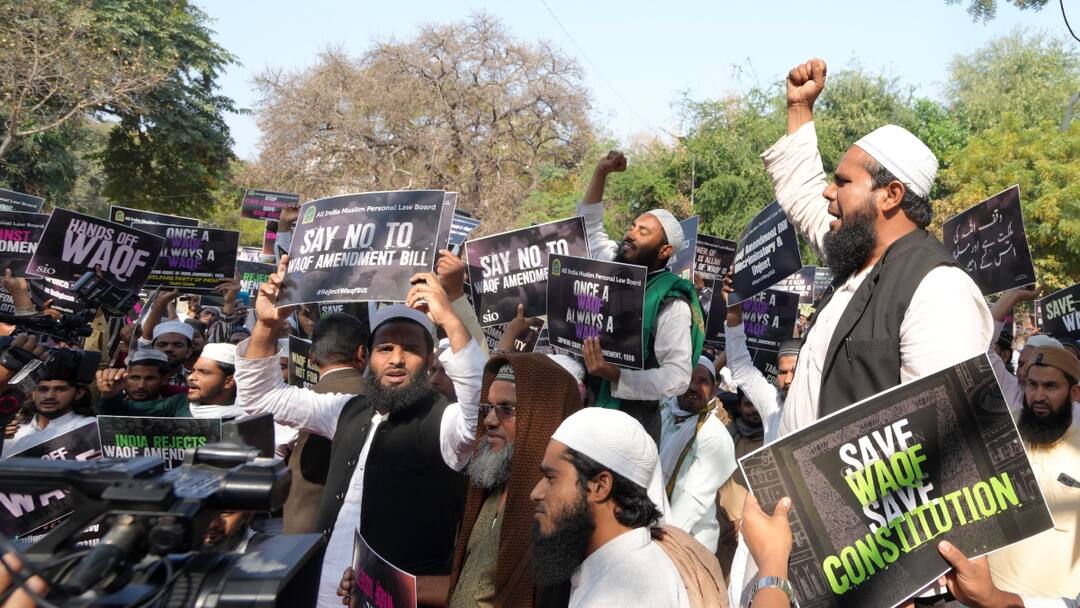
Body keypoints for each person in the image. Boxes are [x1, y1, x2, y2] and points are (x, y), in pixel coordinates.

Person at [236, 258, 484, 607]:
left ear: (431, 361)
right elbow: (261, 397)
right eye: (386, 348)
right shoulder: (346, 409)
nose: (397, 359)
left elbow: (479, 409)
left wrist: (449, 319)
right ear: (367, 357)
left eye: (412, 349)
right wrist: (266, 325)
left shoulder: (445, 422)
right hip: (324, 589)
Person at [765, 58, 993, 436]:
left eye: (842, 182)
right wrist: (799, 108)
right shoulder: (857, 258)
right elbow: (802, 195)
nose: (828, 192)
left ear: (890, 195)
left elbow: (939, 432)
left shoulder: (938, 288)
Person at [531, 408, 726, 608]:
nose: (535, 493)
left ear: (599, 486)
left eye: (551, 478)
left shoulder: (617, 597)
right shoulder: (622, 565)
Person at [576, 151, 706, 441]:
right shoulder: (612, 267)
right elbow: (588, 229)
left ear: (664, 251)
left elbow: (677, 376)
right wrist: (601, 172)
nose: (631, 234)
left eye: (643, 232)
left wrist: (616, 374)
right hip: (589, 410)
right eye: (632, 227)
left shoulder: (671, 301)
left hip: (633, 425)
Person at [987, 346, 1080, 599]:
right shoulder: (1001, 429)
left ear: (1074, 393)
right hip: (984, 594)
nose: (1038, 396)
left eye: (1050, 386)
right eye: (1032, 385)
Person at [283, 313, 368, 536]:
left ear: (311, 357)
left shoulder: (294, 404)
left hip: (305, 539)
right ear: (362, 353)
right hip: (363, 536)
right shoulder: (385, 398)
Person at [659, 356, 736, 553]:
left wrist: (663, 544)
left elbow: (693, 501)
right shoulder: (664, 412)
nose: (693, 387)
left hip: (686, 542)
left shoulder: (714, 434)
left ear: (714, 389)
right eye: (688, 378)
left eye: (702, 381)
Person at [96, 343, 242, 419]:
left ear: (228, 381)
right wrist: (110, 396)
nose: (191, 377)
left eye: (204, 372)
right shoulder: (179, 404)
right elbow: (125, 416)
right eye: (193, 371)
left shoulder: (246, 415)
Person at [2, 360, 96, 457]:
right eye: (42, 389)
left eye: (60, 389)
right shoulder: (13, 434)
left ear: (78, 393)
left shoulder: (91, 427)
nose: (49, 396)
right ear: (32, 393)